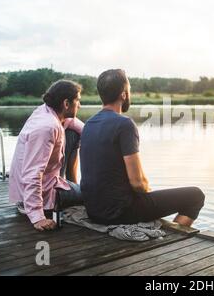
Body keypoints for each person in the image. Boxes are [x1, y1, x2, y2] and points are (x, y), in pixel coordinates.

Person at [80, 69, 205, 227]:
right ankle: (172, 236)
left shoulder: (88, 124)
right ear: (124, 94)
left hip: (94, 211)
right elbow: (138, 183)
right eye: (129, 90)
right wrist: (150, 197)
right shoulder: (124, 124)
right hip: (119, 213)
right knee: (195, 196)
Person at [9, 80, 84, 231]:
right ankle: (43, 203)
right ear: (66, 103)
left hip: (48, 181)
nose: (80, 105)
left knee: (73, 133)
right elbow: (32, 174)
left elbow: (74, 122)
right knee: (90, 194)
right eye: (78, 100)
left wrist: (95, 134)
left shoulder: (46, 111)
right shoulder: (47, 128)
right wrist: (38, 217)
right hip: (37, 196)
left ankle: (70, 186)